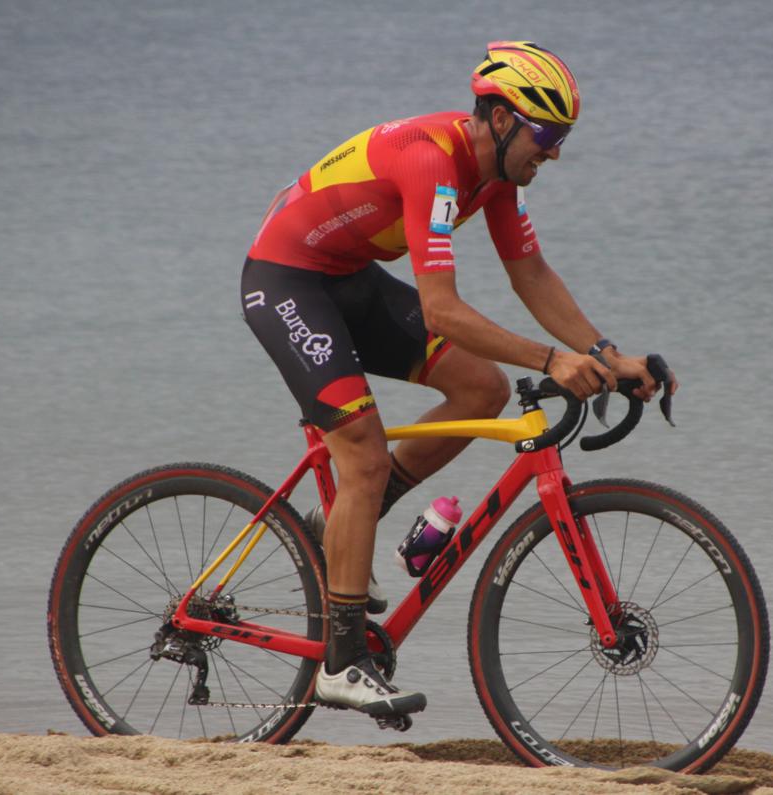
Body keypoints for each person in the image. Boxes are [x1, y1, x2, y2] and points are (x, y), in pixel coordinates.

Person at [240, 41, 676, 719]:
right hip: (287, 280)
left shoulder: (497, 176)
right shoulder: (431, 161)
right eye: (546, 137)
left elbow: (530, 273)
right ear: (501, 119)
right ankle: (341, 662)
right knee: (362, 454)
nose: (554, 154)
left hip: (348, 278)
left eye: (561, 139)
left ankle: (340, 523)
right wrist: (550, 360)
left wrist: (604, 353)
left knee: (484, 389)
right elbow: (441, 309)